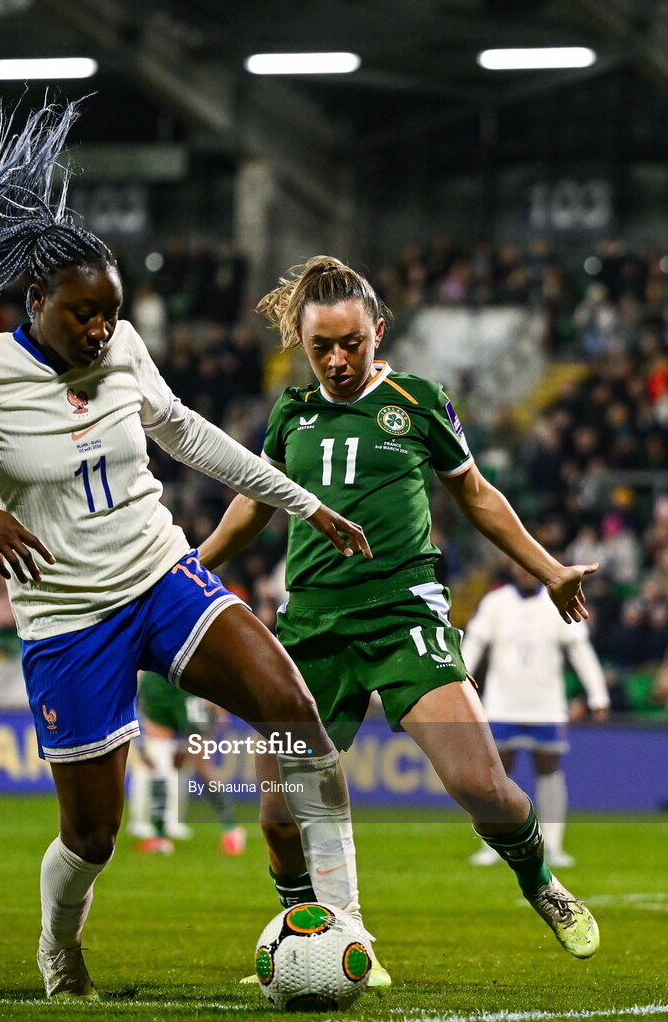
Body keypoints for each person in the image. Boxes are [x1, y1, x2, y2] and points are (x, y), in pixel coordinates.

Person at [0, 102, 376, 1001]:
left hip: (161, 576)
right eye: (82, 315)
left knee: (295, 712)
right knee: (93, 836)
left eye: (110, 314)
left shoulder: (127, 349)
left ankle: (332, 922)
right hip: (66, 618)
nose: (100, 330)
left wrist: (304, 502)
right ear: (37, 304)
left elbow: (189, 435)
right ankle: (61, 955)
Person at [199, 256, 601, 978]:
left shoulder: (417, 402)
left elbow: (476, 495)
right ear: (302, 342)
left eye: (350, 342)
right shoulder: (291, 415)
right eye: (320, 346)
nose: (337, 359)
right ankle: (326, 943)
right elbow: (250, 507)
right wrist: (186, 570)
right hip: (311, 629)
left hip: (402, 615)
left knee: (483, 786)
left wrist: (549, 570)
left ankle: (540, 883)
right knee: (279, 821)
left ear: (378, 332)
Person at [463, 560, 610, 868]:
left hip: (546, 704)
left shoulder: (558, 600)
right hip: (502, 702)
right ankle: (493, 846)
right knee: (496, 777)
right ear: (514, 568)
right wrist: (459, 684)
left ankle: (553, 845)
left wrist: (598, 694)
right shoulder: (496, 602)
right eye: (522, 567)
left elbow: (580, 649)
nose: (527, 572)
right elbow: (474, 643)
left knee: (549, 770)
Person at [130, 670, 246, 856]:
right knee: (159, 763)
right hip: (157, 686)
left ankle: (231, 827)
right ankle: (160, 836)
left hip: (189, 687)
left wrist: (216, 695)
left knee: (201, 766)